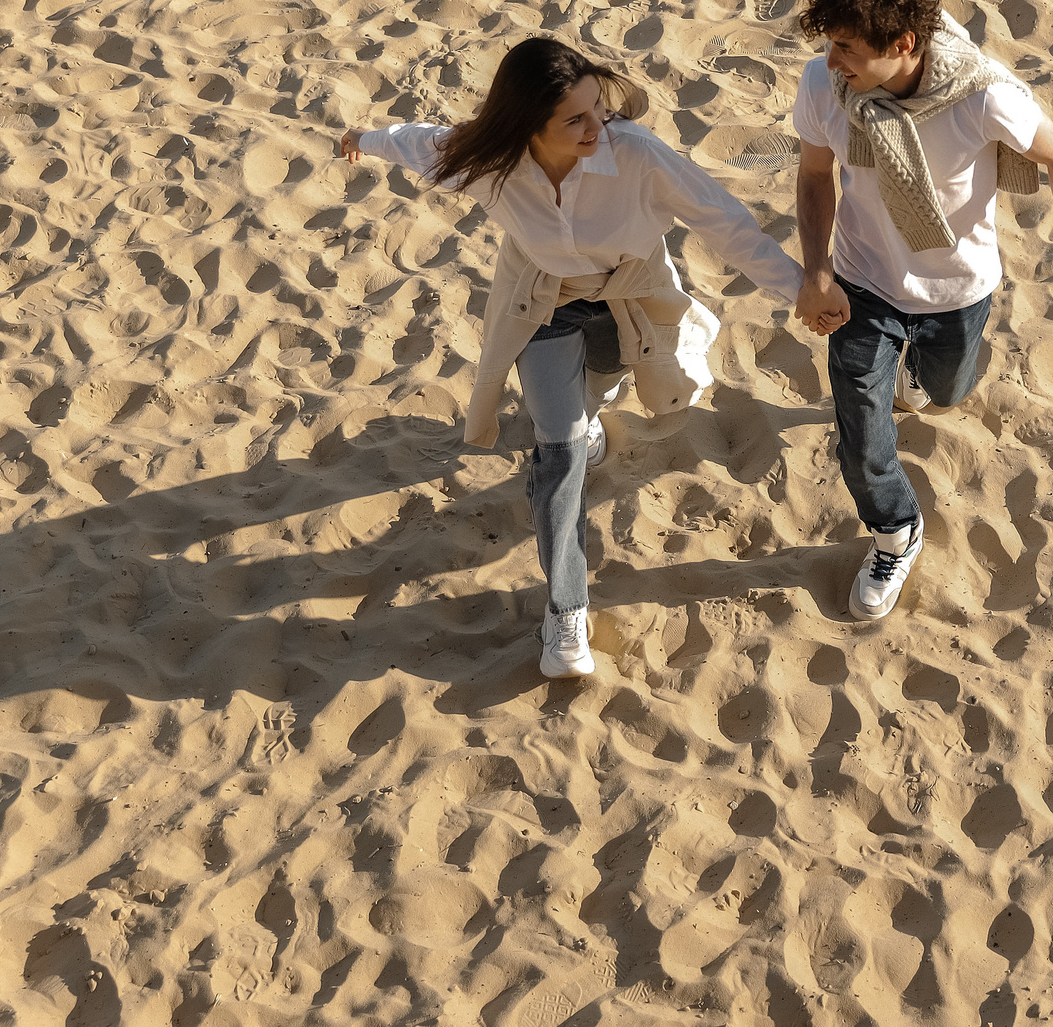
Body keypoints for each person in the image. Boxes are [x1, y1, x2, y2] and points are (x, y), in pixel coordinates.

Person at [338, 38, 803, 678]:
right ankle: (566, 611)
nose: (597, 129)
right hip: (542, 306)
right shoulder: (488, 160)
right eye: (576, 120)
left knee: (597, 396)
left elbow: (723, 221)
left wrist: (801, 291)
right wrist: (365, 138)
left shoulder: (635, 155)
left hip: (626, 301)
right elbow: (421, 141)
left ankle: (587, 417)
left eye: (597, 110)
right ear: (528, 125)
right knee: (557, 451)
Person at [790, 0, 1053, 620]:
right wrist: (816, 270)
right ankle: (895, 530)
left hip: (958, 289)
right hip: (863, 284)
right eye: (831, 44)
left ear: (902, 43)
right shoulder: (825, 86)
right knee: (863, 431)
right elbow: (815, 177)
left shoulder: (981, 95)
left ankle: (918, 378)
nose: (833, 61)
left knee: (947, 390)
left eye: (848, 48)